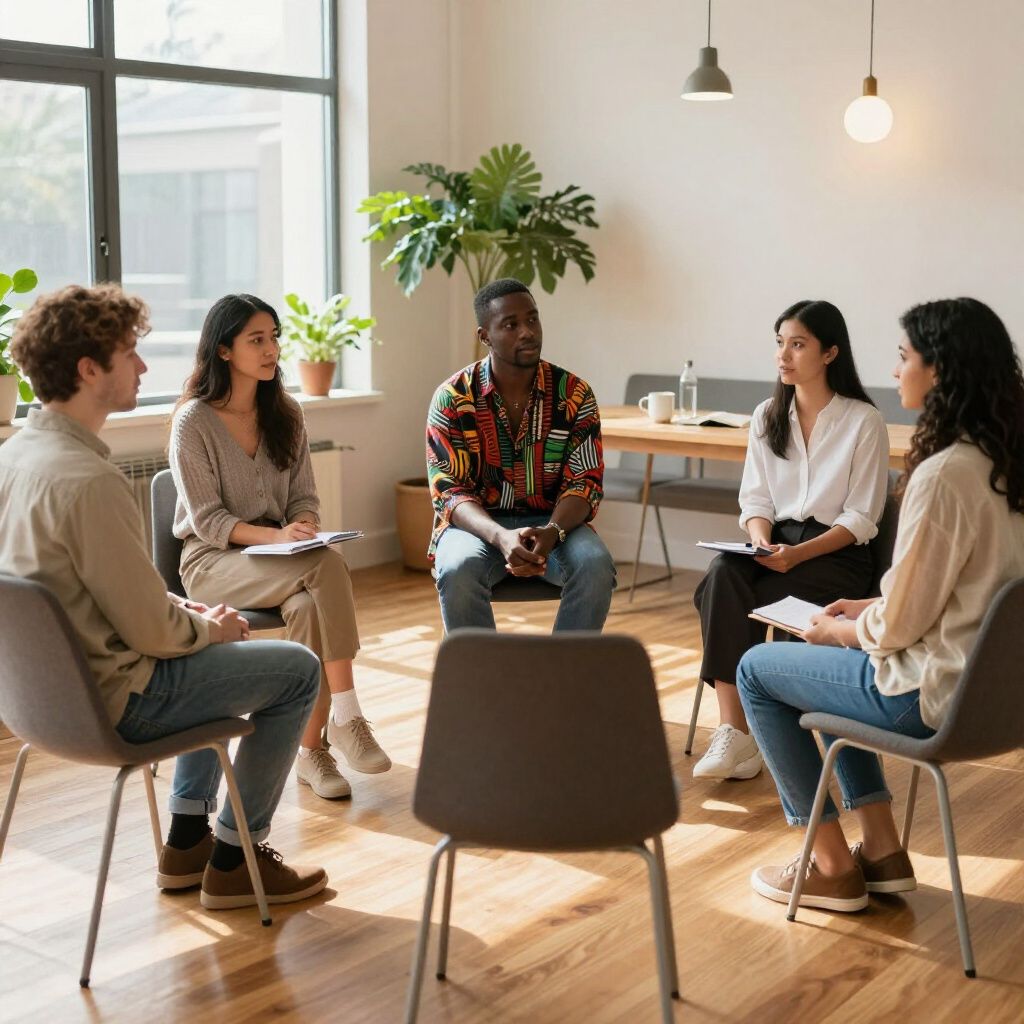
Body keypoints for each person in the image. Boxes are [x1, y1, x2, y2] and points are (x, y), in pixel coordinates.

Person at [1, 284, 327, 908]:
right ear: (89, 369)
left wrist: (190, 611)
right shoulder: (89, 482)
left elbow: (105, 598)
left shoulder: (15, 457)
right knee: (296, 671)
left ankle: (184, 843)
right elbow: (153, 636)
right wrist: (212, 628)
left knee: (203, 648)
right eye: (130, 353)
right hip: (117, 702)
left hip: (38, 702)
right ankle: (235, 858)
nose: (144, 367)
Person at [739, 297, 1024, 912]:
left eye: (904, 358)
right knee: (838, 670)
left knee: (757, 672)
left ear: (940, 370)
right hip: (998, 696)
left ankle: (831, 864)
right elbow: (962, 590)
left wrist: (834, 630)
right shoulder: (1007, 466)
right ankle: (884, 851)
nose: (895, 373)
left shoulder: (945, 474)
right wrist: (865, 605)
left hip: (930, 694)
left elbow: (896, 628)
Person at [169, 293, 391, 802]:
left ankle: (310, 751)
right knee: (326, 564)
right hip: (213, 560)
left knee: (310, 603)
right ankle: (348, 715)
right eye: (257, 340)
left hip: (283, 562)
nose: (271, 350)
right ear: (224, 350)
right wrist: (275, 537)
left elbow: (304, 497)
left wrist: (305, 524)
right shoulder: (194, 422)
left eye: (274, 338)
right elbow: (206, 521)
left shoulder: (285, 412)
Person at [691, 300, 889, 781]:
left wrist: (797, 554)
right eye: (780, 343)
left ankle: (748, 739)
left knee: (722, 596)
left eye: (798, 344)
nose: (784, 355)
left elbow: (862, 517)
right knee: (722, 575)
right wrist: (762, 545)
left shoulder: (863, 421)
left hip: (835, 554)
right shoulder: (766, 415)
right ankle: (734, 733)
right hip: (776, 545)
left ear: (830, 353)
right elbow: (755, 503)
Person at [427, 278, 616, 632]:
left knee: (595, 566)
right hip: (478, 528)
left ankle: (563, 682)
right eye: (511, 325)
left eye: (532, 319)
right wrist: (500, 536)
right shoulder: (452, 398)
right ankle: (485, 685)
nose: (527, 332)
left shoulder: (574, 394)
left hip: (556, 523)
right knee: (458, 569)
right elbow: (449, 492)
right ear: (484, 336)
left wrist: (553, 531)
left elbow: (585, 482)